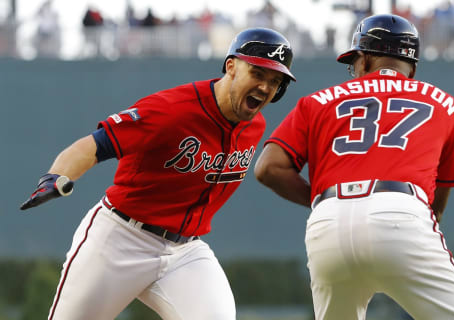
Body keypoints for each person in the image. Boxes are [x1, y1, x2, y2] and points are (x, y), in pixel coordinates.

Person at [20, 27, 295, 320]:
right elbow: (93, 145)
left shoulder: (254, 125)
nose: (266, 87)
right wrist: (56, 175)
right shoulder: (172, 110)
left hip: (185, 252)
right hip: (120, 238)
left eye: (275, 81)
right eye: (258, 74)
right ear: (231, 66)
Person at [254, 14, 454, 319]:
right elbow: (437, 202)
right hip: (401, 211)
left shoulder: (318, 101)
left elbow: (268, 168)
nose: (354, 68)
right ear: (411, 66)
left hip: (329, 219)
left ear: (366, 57)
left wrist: (326, 202)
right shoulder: (447, 104)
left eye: (354, 60)